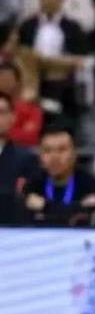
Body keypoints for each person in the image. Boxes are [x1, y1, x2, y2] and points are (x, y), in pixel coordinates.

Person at [22, 121, 95, 225]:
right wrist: (77, 207)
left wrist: (45, 207)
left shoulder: (90, 184)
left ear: (74, 153)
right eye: (47, 150)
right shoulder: (32, 186)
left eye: (62, 150)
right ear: (40, 155)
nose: (54, 157)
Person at [0, 91, 38, 224]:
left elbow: (31, 199)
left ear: (12, 117)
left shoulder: (27, 158)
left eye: (1, 112)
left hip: (12, 226)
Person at [0, 61, 43, 146]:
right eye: (2, 79)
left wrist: (4, 134)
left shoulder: (31, 108)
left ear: (17, 82)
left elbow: (31, 136)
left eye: (8, 79)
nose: (5, 83)